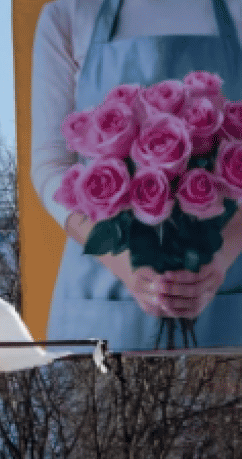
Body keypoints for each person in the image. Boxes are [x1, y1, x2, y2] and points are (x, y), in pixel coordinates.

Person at [33, 0, 242, 349]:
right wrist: (123, 263)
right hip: (102, 285)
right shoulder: (69, 15)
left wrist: (222, 257)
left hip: (228, 278)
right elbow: (50, 164)